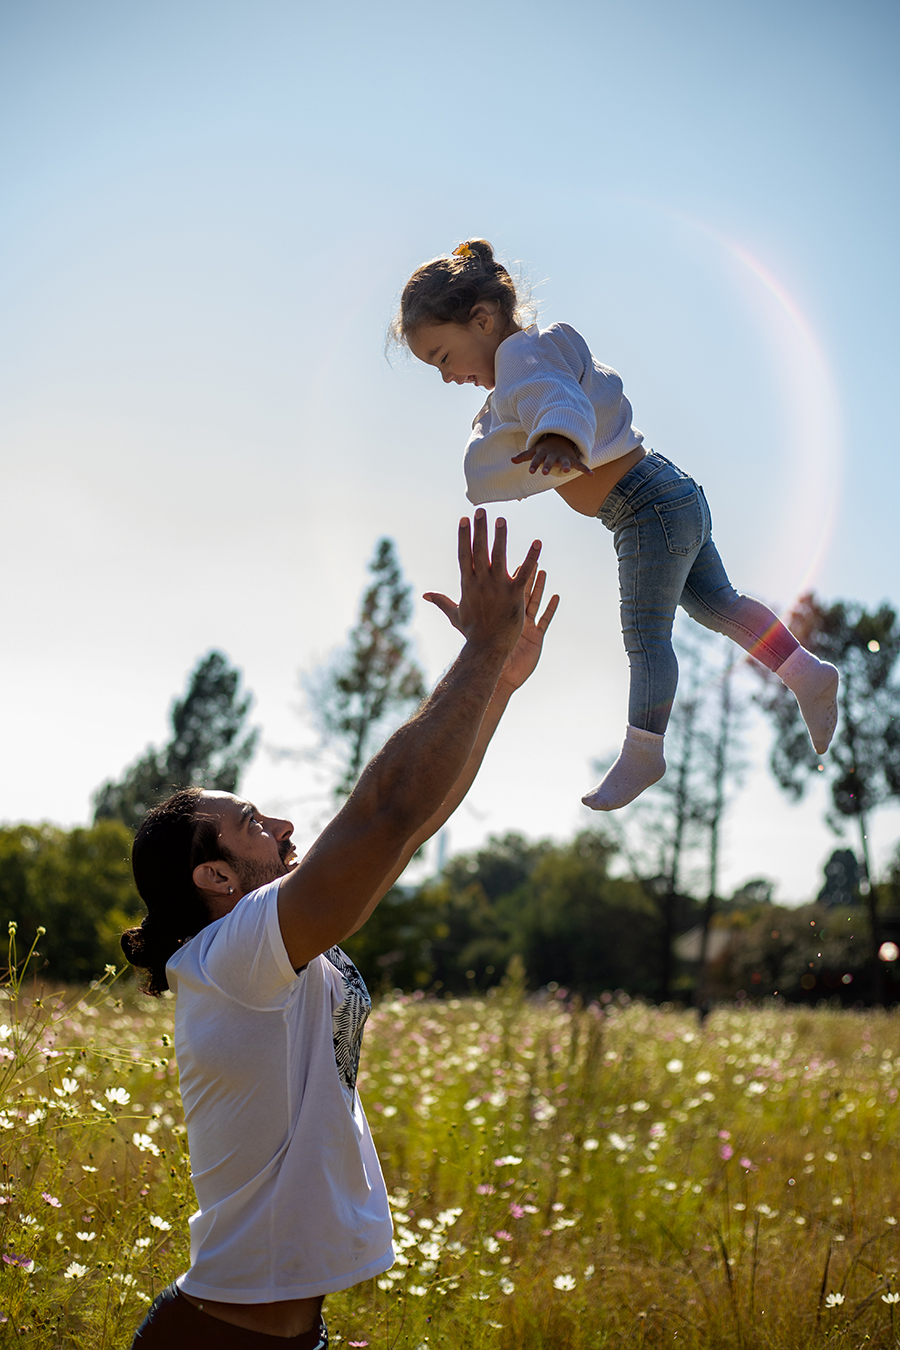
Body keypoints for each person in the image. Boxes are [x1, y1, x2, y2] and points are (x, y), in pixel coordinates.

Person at [123, 512, 557, 1348]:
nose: (282, 822)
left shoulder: (259, 951)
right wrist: (479, 653)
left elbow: (413, 822)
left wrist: (496, 680)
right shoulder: (232, 956)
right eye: (251, 822)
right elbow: (387, 811)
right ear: (214, 876)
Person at [394, 238, 840, 810]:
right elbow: (547, 399)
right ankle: (806, 673)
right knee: (718, 605)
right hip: (667, 492)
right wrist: (546, 430)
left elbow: (554, 400)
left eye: (441, 357)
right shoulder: (533, 354)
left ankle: (644, 750)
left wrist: (556, 435)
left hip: (644, 507)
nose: (446, 376)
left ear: (481, 320)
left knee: (646, 634)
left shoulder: (519, 359)